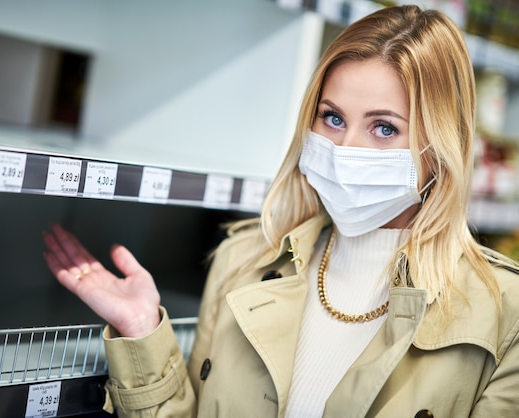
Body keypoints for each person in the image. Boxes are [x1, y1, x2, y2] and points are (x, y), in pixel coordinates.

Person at [43, 5, 519, 417]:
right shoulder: (244, 262)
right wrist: (144, 332)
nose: (343, 148)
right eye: (332, 118)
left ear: (441, 147)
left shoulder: (504, 317)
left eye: (384, 129)